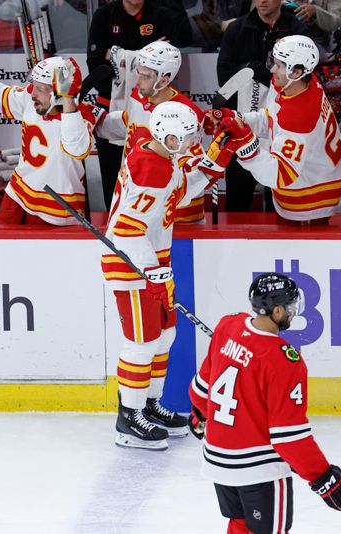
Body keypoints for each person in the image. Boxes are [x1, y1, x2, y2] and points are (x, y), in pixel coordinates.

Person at [105, 101, 237, 450]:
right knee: (143, 341)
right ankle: (128, 418)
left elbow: (176, 194)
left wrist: (215, 163)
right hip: (132, 266)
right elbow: (129, 230)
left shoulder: (160, 156)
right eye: (189, 135)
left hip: (152, 263)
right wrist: (151, 271)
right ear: (171, 134)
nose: (193, 140)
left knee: (164, 336)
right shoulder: (152, 167)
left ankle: (149, 405)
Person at [189, 272, 341, 533]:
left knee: (239, 525)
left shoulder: (228, 326)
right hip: (260, 470)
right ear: (278, 310)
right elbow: (289, 438)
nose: (294, 313)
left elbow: (200, 391)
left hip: (218, 462)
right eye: (291, 307)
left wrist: (200, 416)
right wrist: (324, 478)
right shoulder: (283, 361)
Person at [0, 55, 98, 225]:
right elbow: (1, 95)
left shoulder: (80, 118)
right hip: (18, 193)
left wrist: (68, 101)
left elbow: (77, 148)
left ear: (60, 94)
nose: (32, 92)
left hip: (56, 208)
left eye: (40, 88)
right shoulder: (31, 101)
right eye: (33, 86)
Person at [217, 35, 341, 223]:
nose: (272, 69)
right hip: (307, 178)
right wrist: (241, 119)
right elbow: (272, 118)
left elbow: (281, 174)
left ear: (296, 72)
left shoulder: (300, 114)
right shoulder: (294, 84)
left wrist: (246, 148)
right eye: (273, 62)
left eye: (279, 65)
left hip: (310, 200)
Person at [87, 0, 191, 208]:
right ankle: (113, 224)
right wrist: (126, 87)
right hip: (110, 105)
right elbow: (96, 64)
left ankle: (153, 222)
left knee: (153, 172)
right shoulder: (104, 15)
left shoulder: (162, 15)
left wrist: (118, 58)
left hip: (154, 107)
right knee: (113, 175)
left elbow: (169, 60)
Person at [96, 42, 208, 223]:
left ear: (164, 80)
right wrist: (95, 119)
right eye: (138, 72)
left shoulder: (186, 113)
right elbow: (129, 124)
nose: (137, 80)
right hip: (137, 202)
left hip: (175, 214)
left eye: (145, 76)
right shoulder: (139, 94)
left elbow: (192, 170)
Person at [216, 0, 308, 213]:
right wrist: (261, 72)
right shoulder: (236, 29)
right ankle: (232, 245)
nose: (262, 1)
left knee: (279, 198)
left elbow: (302, 79)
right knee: (237, 200)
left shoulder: (297, 30)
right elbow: (225, 80)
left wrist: (252, 70)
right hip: (243, 123)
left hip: (282, 126)